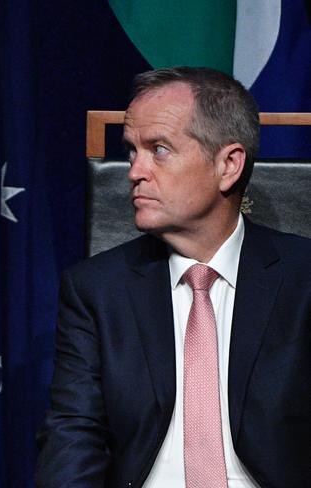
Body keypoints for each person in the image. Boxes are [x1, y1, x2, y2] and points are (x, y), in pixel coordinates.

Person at [35, 67, 310, 487]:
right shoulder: (96, 290)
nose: (134, 172)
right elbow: (73, 439)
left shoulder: (303, 279)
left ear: (229, 165)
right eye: (132, 151)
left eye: (159, 149)